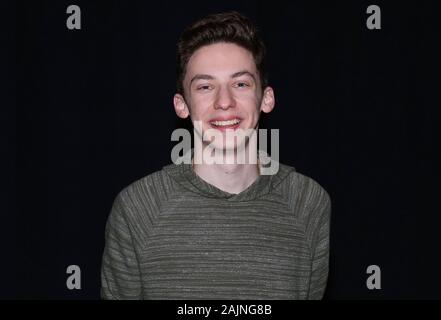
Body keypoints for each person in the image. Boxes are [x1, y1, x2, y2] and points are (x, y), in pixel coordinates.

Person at [101, 11, 331, 300]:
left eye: (241, 84)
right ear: (182, 105)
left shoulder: (308, 202)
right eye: (206, 87)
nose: (225, 102)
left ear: (267, 99)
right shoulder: (137, 208)